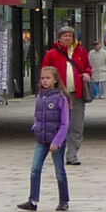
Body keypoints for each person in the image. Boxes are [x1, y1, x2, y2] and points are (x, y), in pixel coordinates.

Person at [18, 64, 72, 212]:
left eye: (48, 78)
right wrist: (35, 127)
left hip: (56, 141)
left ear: (55, 80)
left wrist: (57, 141)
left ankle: (64, 200)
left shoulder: (61, 98)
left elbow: (65, 123)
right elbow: (38, 117)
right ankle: (33, 200)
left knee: (59, 171)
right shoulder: (40, 97)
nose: (44, 81)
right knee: (35, 169)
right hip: (42, 139)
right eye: (42, 78)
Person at [41, 27, 91, 165]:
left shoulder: (81, 51)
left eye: (70, 36)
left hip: (77, 94)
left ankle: (72, 155)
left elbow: (88, 66)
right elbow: (44, 72)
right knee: (58, 124)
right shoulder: (52, 53)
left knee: (76, 125)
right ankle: (57, 152)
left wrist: (87, 73)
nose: (68, 38)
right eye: (65, 36)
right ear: (59, 37)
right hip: (59, 95)